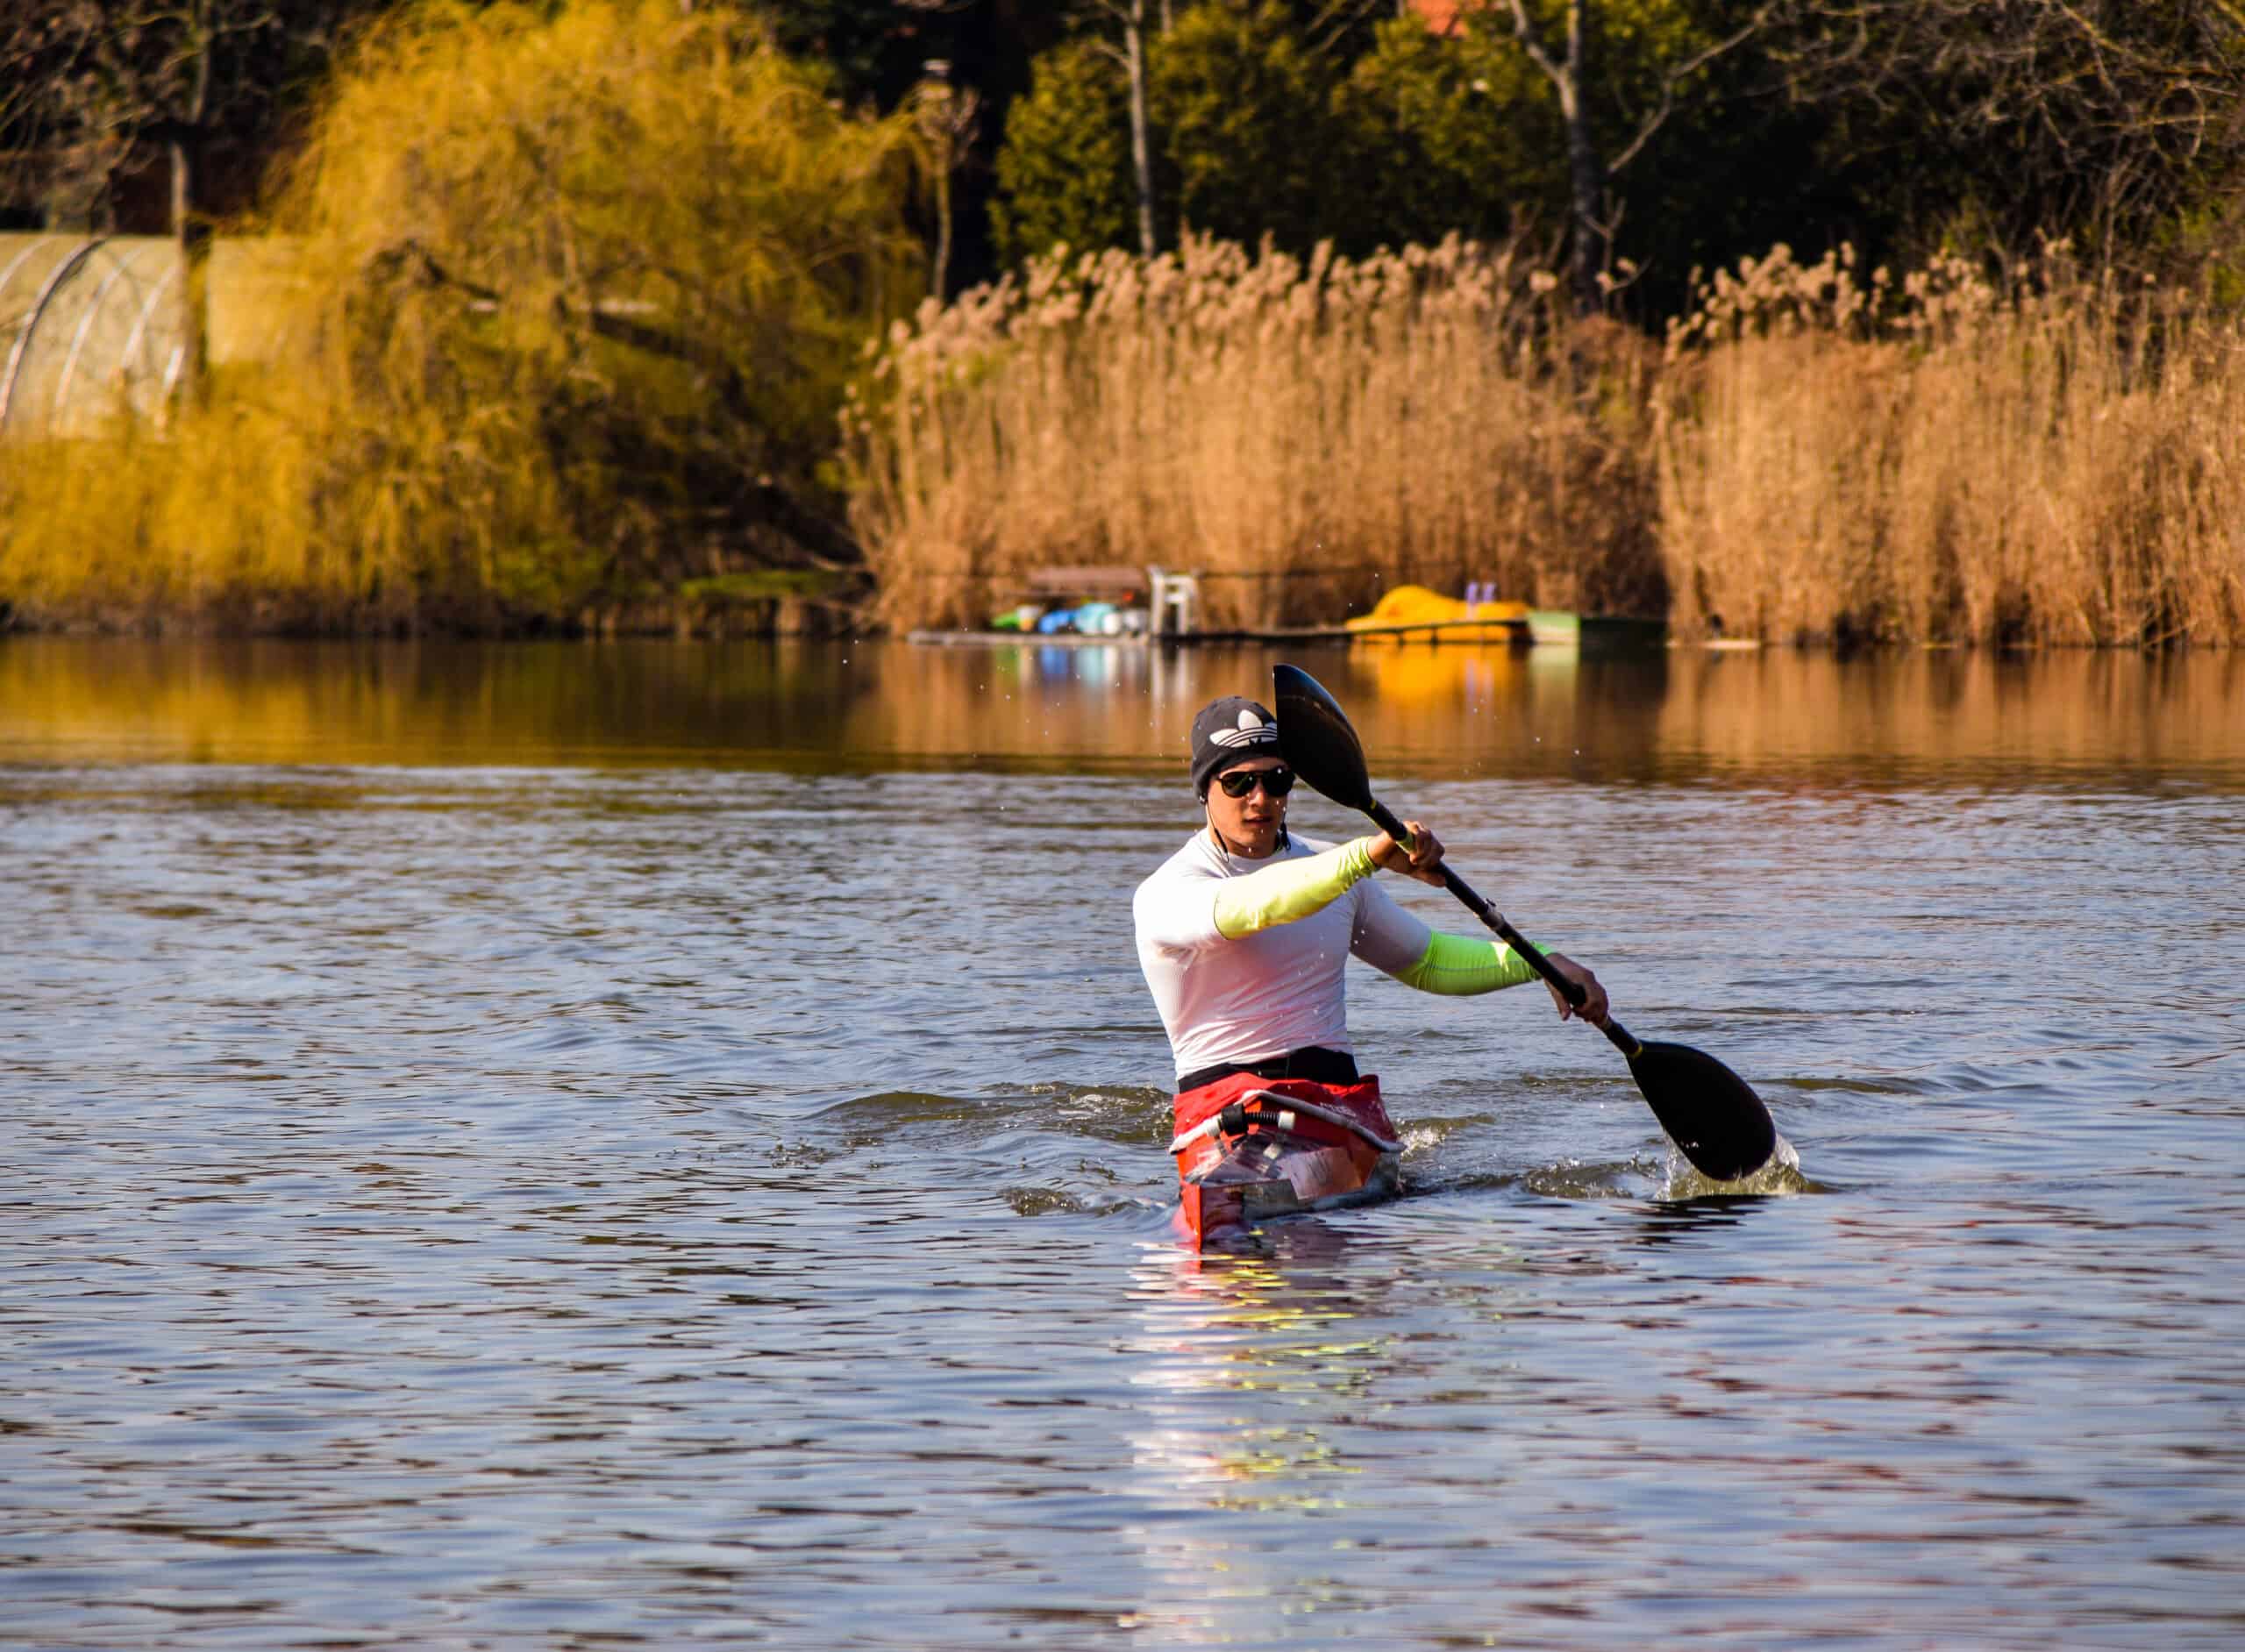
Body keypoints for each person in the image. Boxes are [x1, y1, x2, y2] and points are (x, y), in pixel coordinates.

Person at [1134, 694, 1609, 1238]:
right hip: (1222, 1112)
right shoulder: (1167, 893)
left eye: (1277, 780)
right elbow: (1253, 906)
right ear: (1204, 791)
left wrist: (1537, 961)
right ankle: (1223, 1216)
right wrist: (1367, 857)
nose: (1260, 798)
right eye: (1239, 783)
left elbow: (1428, 961)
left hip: (1335, 1110)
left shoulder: (1334, 870)